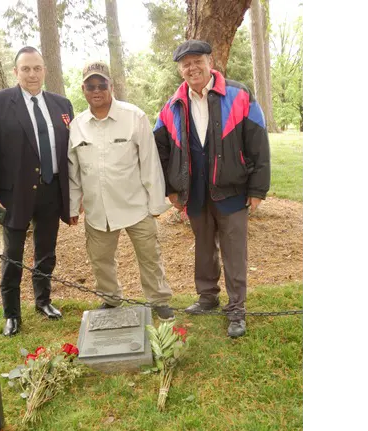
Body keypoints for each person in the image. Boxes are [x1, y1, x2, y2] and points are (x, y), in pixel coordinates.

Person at [153, 40, 271, 337]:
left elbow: (258, 143)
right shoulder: (172, 105)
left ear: (210, 61)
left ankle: (236, 310)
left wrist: (257, 190)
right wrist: (171, 189)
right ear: (180, 69)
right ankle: (207, 297)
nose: (192, 68)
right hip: (193, 191)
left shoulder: (239, 94)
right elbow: (161, 149)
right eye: (185, 63)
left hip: (232, 188)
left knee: (234, 251)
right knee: (204, 248)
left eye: (197, 61)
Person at [0, 46, 74, 337]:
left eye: (37, 68)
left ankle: (43, 302)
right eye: (26, 69)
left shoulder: (62, 104)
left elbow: (69, 152)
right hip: (13, 194)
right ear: (16, 72)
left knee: (46, 251)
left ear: (44, 70)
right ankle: (12, 314)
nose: (32, 74)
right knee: (13, 256)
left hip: (51, 190)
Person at [67, 61, 175, 321]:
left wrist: (156, 205)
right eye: (90, 85)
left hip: (135, 205)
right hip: (98, 210)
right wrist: (72, 207)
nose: (96, 90)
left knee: (150, 257)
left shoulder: (134, 116)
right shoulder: (77, 125)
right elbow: (74, 172)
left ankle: (159, 300)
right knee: (101, 260)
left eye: (101, 84)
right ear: (83, 89)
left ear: (111, 87)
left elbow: (150, 163)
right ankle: (110, 299)